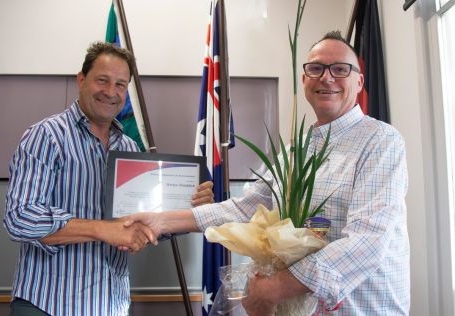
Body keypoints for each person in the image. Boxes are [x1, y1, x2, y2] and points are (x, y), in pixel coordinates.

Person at [125, 30, 410, 315]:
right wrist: (161, 221)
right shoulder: (295, 150)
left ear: (359, 81)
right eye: (316, 68)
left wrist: (274, 288)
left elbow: (367, 242)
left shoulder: (380, 141)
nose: (326, 77)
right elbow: (246, 208)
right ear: (304, 79)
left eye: (340, 69)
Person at [4, 41, 214, 316]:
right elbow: (19, 218)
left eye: (120, 85)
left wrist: (190, 210)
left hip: (110, 304)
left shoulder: (128, 148)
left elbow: (140, 223)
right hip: (48, 305)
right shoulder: (47, 136)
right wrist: (104, 229)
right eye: (102, 80)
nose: (111, 92)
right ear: (81, 80)